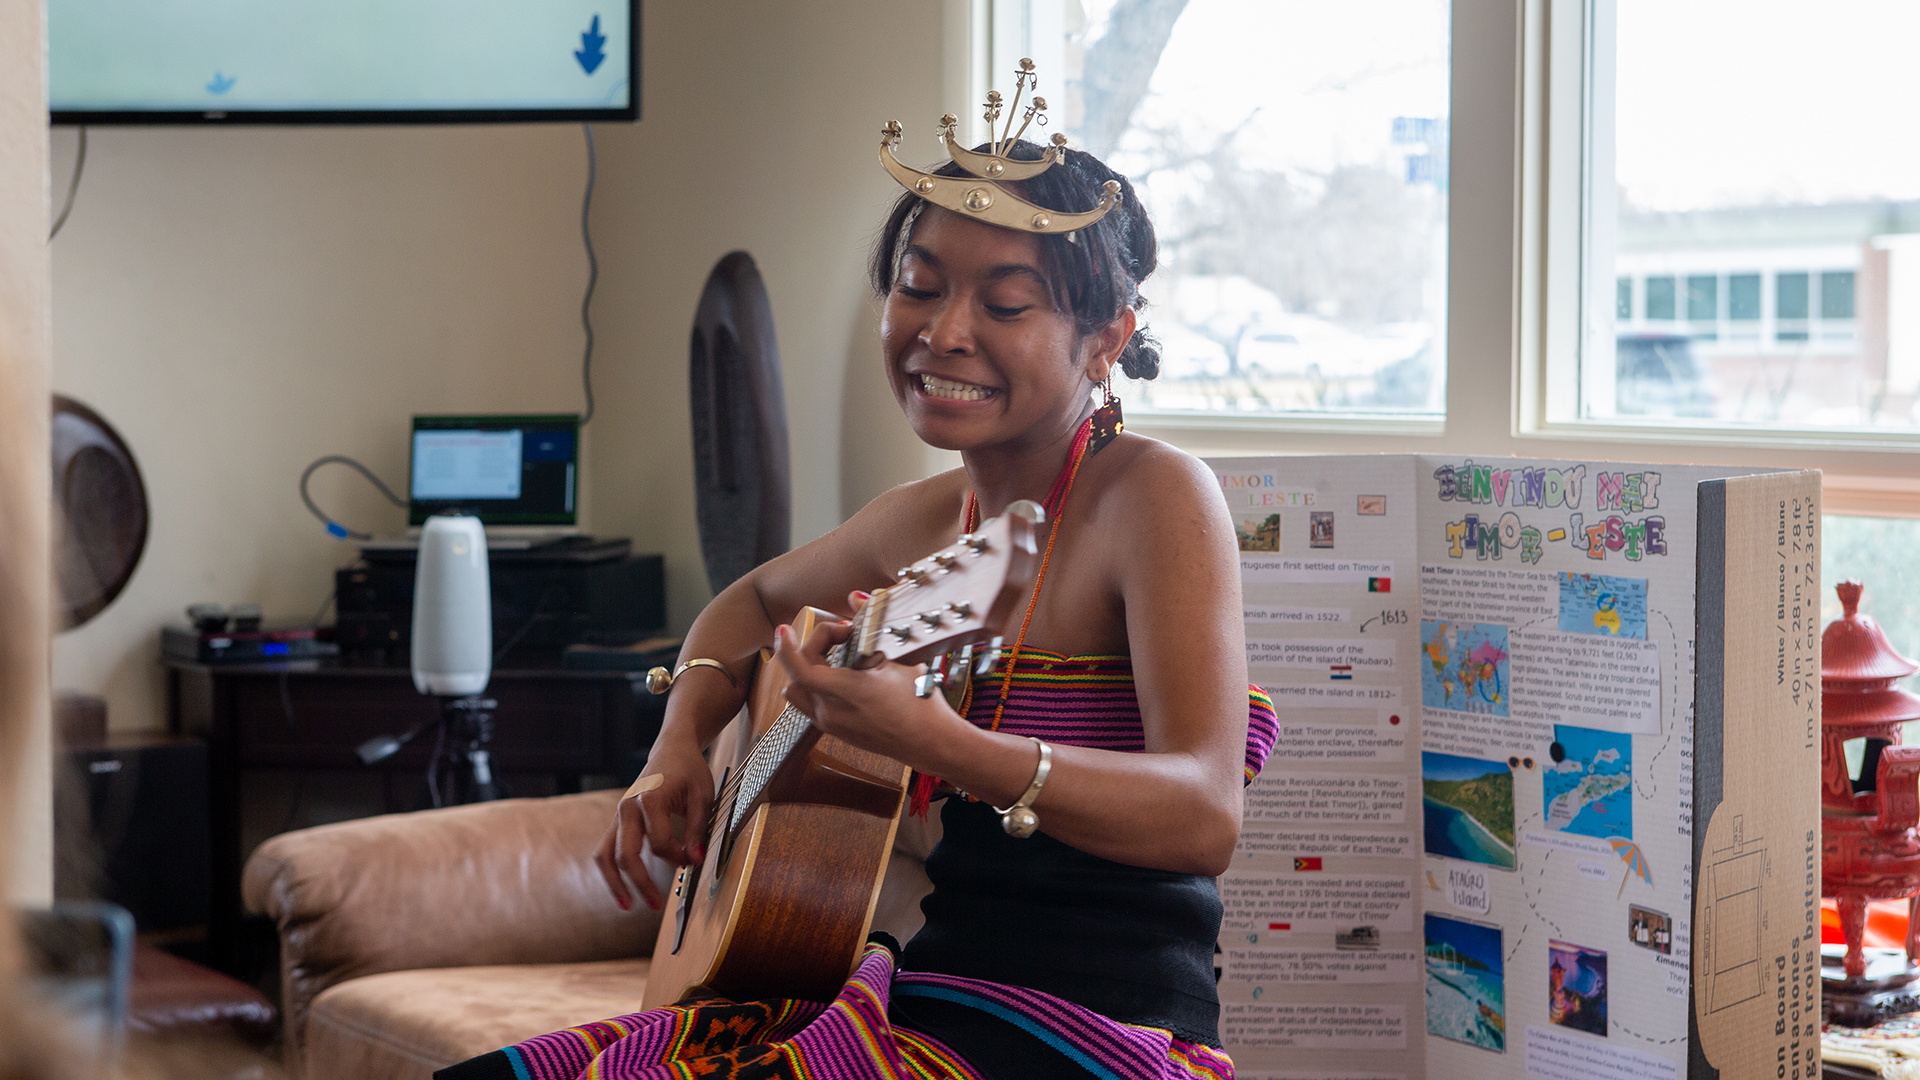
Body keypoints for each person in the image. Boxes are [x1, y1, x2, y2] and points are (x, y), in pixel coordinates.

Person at [438, 71, 1277, 1080]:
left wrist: (943, 746)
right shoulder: (926, 519)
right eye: (919, 287)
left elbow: (1204, 816)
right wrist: (679, 741)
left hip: (1101, 1028)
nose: (944, 331)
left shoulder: (1155, 498)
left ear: (1107, 340)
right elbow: (746, 606)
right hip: (933, 991)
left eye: (1004, 303)